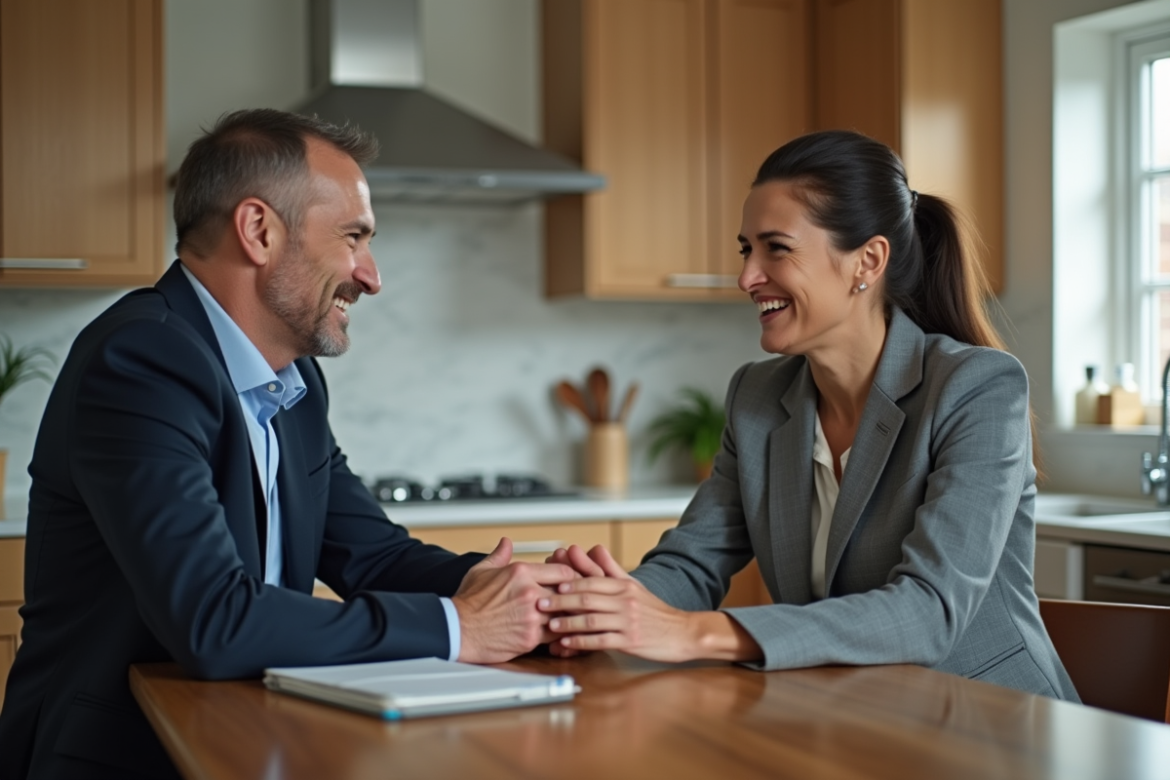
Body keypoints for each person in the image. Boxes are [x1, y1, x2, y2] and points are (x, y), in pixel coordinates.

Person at [0, 108, 575, 780]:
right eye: (354, 237)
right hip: (123, 756)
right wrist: (461, 627)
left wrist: (510, 589)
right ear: (259, 230)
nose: (372, 275)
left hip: (246, 735)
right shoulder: (143, 360)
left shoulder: (292, 381)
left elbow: (371, 553)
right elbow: (215, 623)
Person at [540, 130, 1080, 701]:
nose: (748, 276)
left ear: (866, 261)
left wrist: (695, 633)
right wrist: (602, 607)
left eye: (777, 247)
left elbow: (929, 611)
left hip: (994, 727)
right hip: (852, 717)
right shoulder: (757, 397)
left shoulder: (976, 387)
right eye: (747, 249)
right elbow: (692, 566)